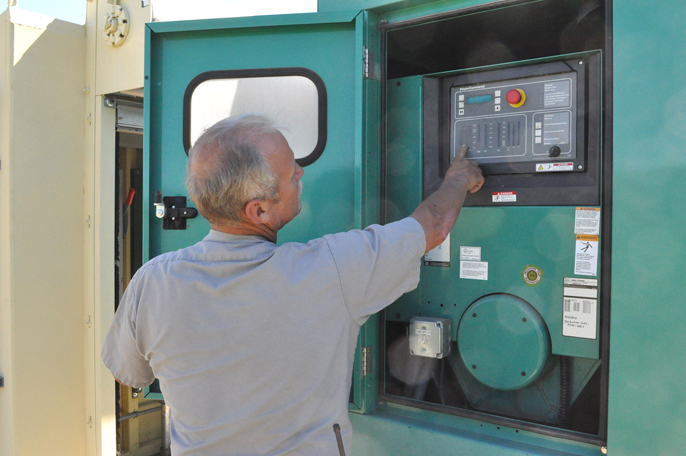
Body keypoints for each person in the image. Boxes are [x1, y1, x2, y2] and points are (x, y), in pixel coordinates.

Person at [102, 114, 483, 456]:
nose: (301, 172)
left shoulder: (151, 280)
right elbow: (434, 223)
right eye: (291, 174)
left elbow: (129, 375)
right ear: (259, 211)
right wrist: (459, 177)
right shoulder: (334, 269)